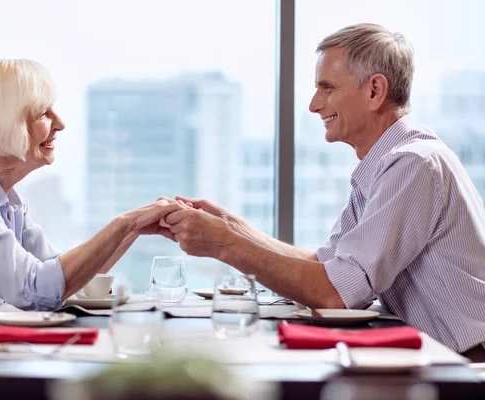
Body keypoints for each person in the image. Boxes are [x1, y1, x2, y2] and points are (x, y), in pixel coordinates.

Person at [161, 24, 485, 358]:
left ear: (375, 91)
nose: (315, 105)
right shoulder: (388, 162)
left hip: (469, 365)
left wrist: (223, 244)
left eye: (327, 88)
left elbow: (334, 294)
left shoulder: (412, 164)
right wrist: (232, 226)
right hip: (441, 357)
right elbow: (326, 266)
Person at [0, 59, 183, 351]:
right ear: (4, 121)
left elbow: (67, 281)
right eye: (44, 112)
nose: (61, 124)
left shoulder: (3, 198)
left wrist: (134, 229)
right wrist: (125, 223)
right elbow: (36, 291)